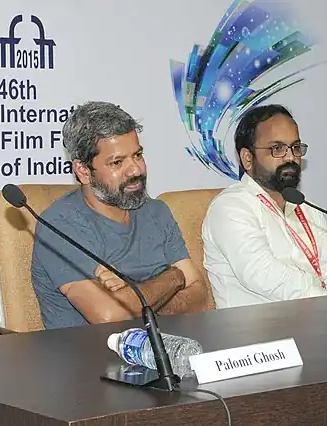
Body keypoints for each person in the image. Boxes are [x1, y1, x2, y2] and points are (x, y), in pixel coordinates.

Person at [31, 101, 211, 329]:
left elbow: (201, 297)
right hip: (91, 359)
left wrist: (136, 298)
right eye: (117, 162)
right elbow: (110, 316)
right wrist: (174, 278)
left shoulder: (156, 211)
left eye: (137, 155)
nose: (136, 170)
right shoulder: (60, 225)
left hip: (164, 351)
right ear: (83, 171)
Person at [201, 104, 327, 308]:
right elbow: (264, 275)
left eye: (295, 147)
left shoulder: (306, 208)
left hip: (318, 320)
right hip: (256, 333)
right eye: (277, 149)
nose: (291, 157)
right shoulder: (230, 207)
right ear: (248, 159)